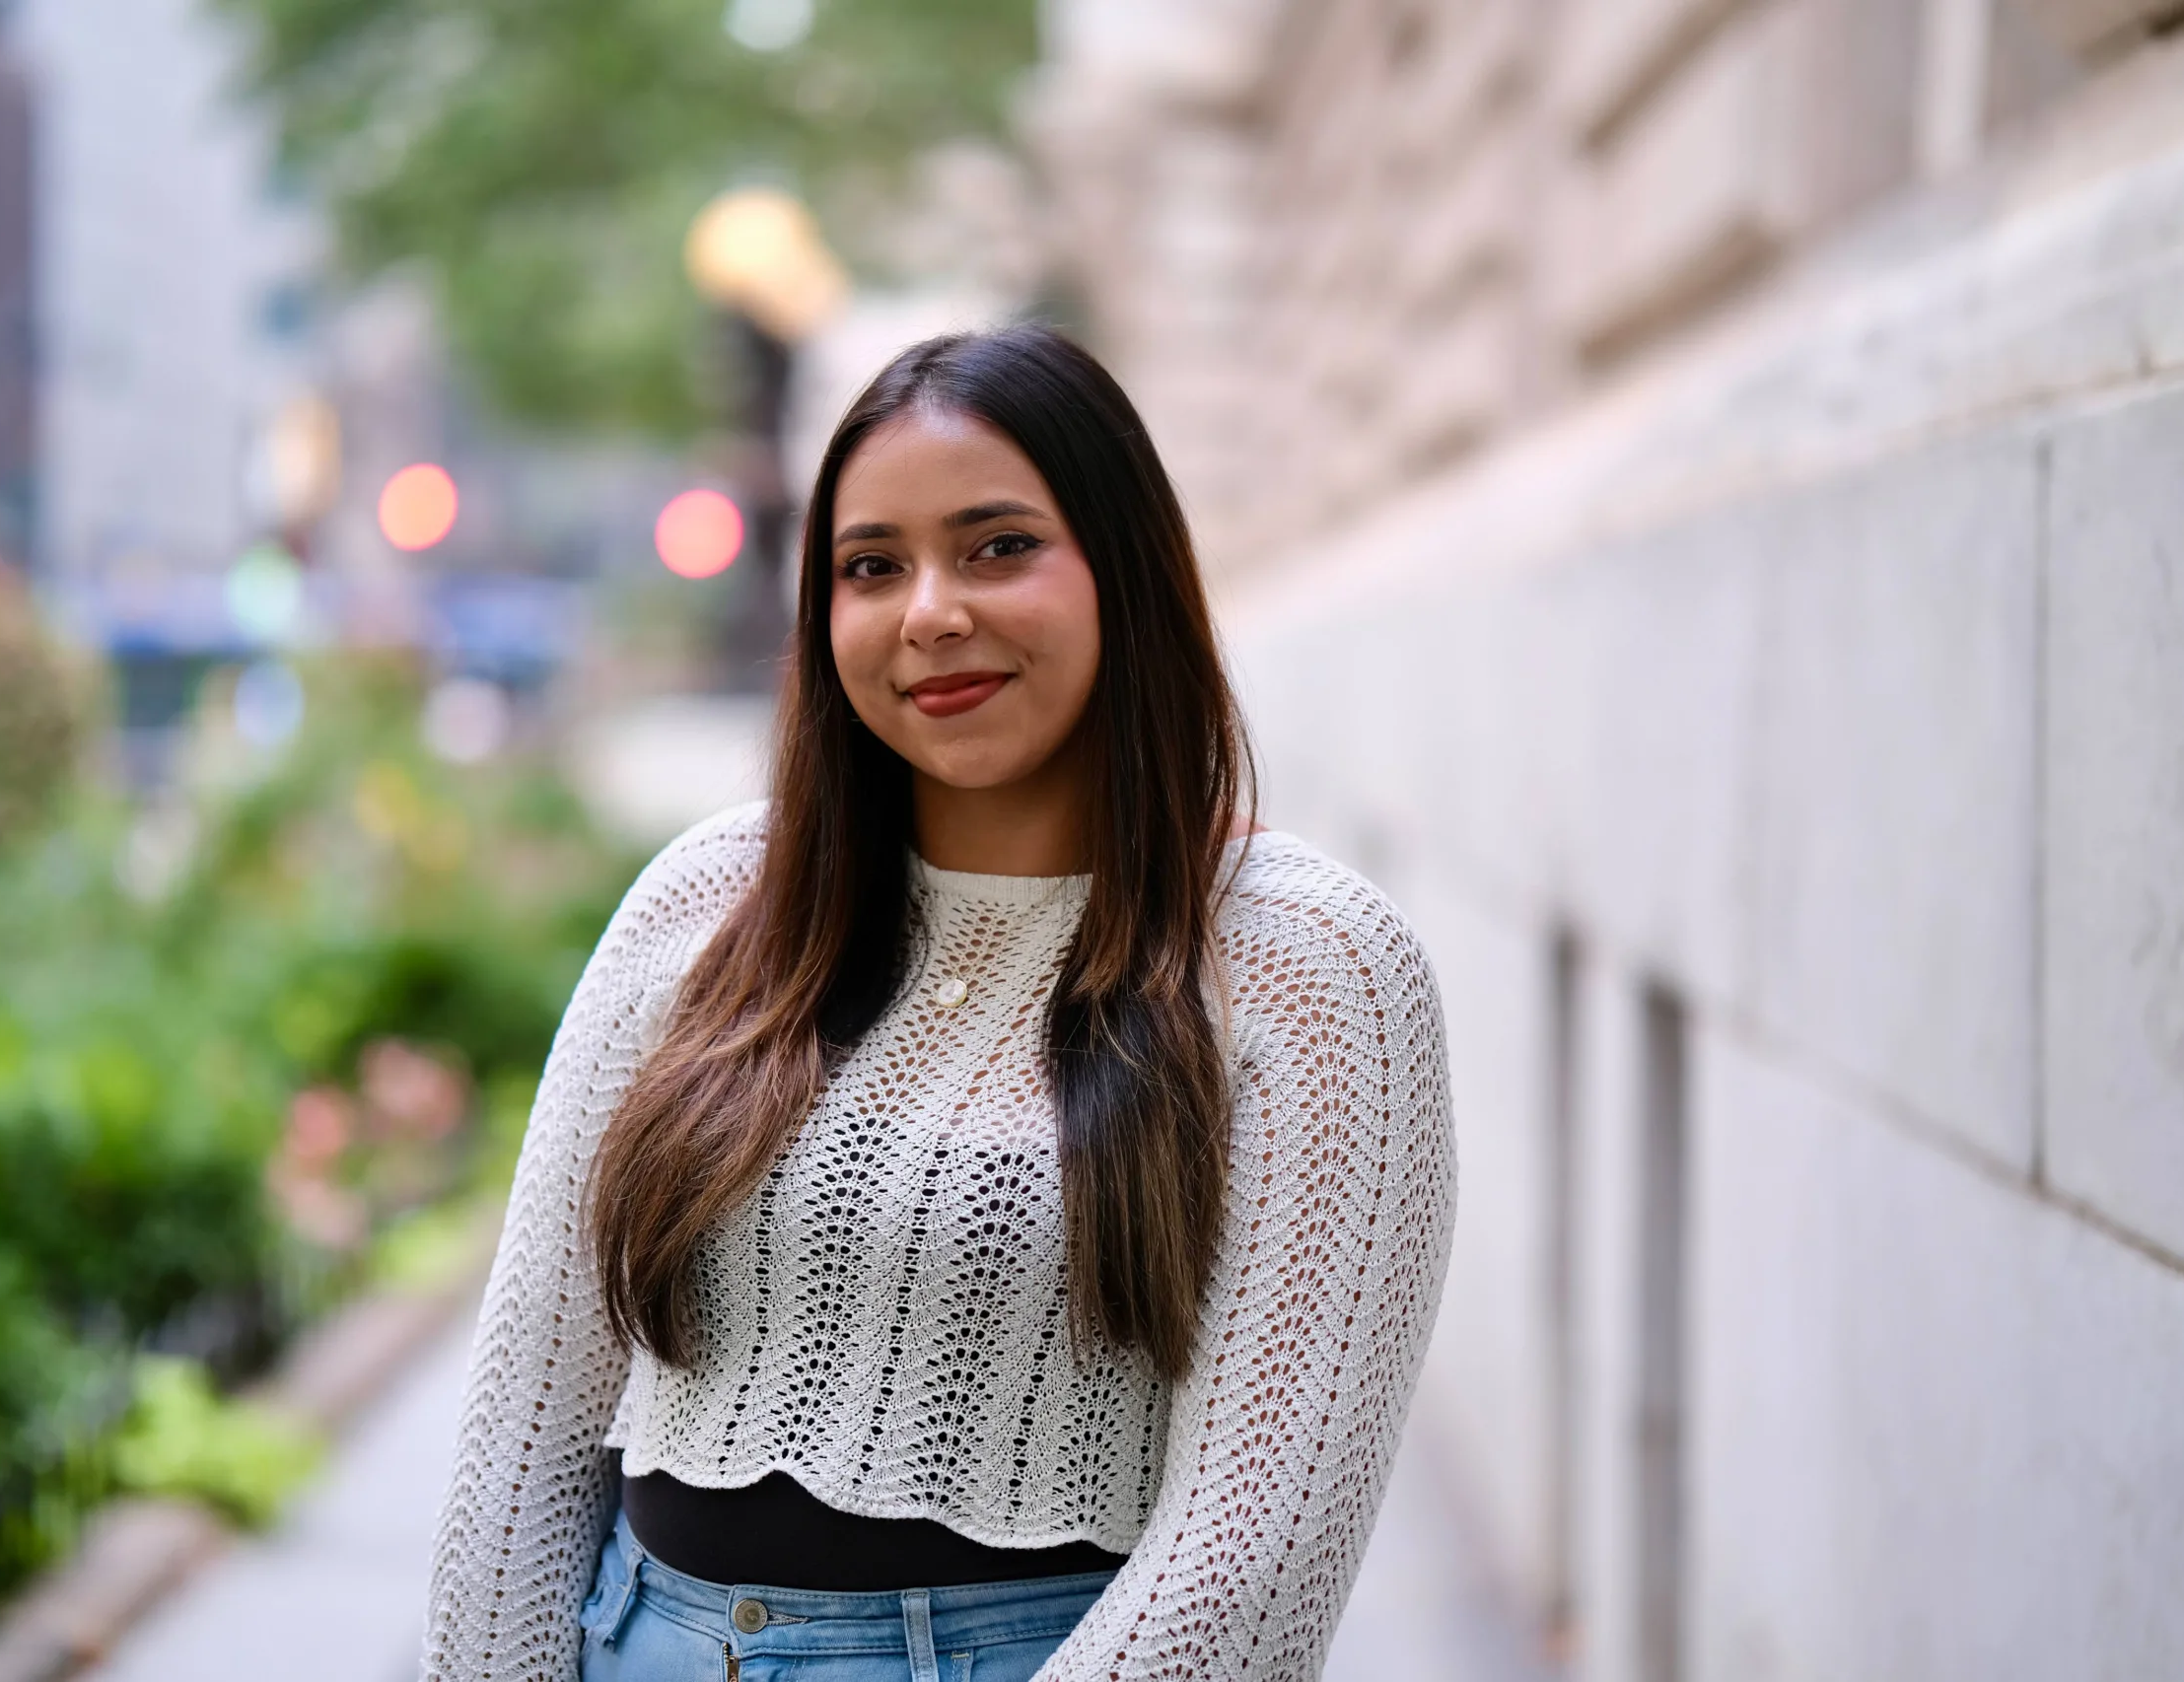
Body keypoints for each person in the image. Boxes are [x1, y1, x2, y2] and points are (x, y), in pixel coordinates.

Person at [421, 325, 1455, 1681]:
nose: (928, 613)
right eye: (871, 567)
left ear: (1124, 571)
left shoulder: (1313, 967)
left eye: (997, 546)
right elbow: (519, 1436)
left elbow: (1247, 1573)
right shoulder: (701, 905)